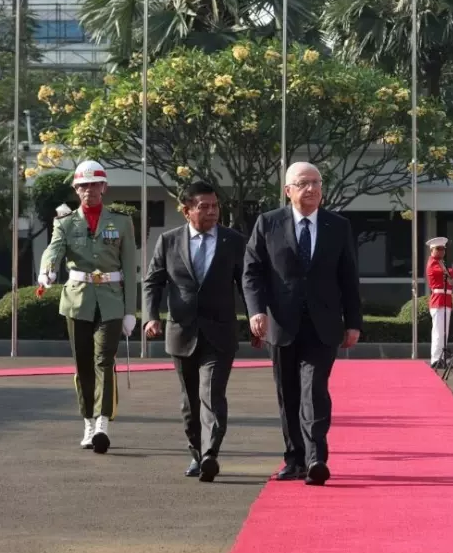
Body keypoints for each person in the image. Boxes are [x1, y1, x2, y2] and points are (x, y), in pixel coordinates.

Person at [244, 161, 362, 486]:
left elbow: (349, 278)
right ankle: (294, 458)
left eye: (316, 183)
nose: (311, 189)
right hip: (281, 324)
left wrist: (353, 322)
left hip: (324, 325)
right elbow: (252, 272)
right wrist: (256, 311)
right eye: (303, 183)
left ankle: (316, 458)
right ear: (288, 190)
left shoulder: (337, 226)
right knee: (289, 393)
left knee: (314, 390)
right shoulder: (267, 224)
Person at [143, 181, 251, 482]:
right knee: (189, 403)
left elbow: (246, 283)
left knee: (212, 394)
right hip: (182, 333)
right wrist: (151, 317)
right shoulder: (168, 241)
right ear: (186, 210)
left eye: (215, 206)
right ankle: (196, 454)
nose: (212, 212)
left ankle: (210, 455)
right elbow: (153, 282)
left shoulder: (233, 241)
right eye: (204, 207)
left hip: (220, 332)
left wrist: (257, 316)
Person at [38, 160, 138, 454]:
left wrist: (131, 310)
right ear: (76, 189)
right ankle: (87, 421)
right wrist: (47, 271)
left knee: (104, 360)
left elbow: (130, 268)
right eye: (83, 185)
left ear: (103, 187)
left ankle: (102, 423)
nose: (89, 190)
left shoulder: (121, 221)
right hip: (77, 299)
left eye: (94, 184)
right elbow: (53, 250)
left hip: (111, 301)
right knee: (83, 363)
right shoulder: (65, 222)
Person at [425, 237, 452, 368]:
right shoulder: (433, 262)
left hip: (445, 300)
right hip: (439, 300)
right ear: (432, 250)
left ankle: (442, 357)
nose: (441, 251)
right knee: (438, 332)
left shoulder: (440, 262)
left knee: (443, 332)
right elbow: (446, 273)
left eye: (443, 249)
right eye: (438, 249)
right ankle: (436, 359)